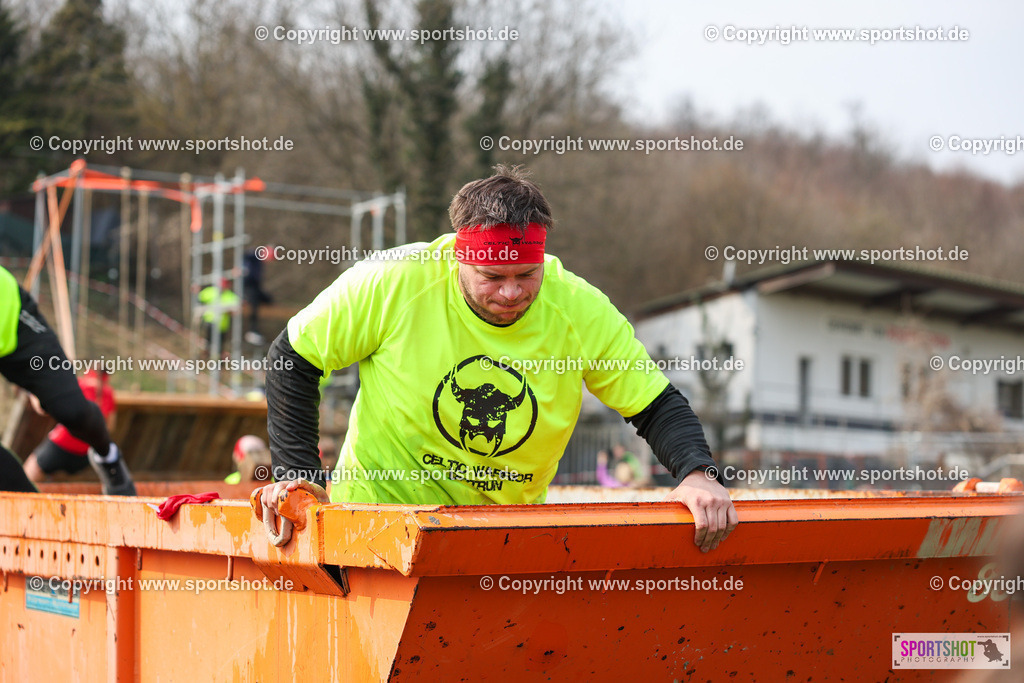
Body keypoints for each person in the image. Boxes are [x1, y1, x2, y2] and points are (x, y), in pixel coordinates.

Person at [259, 165, 738, 552]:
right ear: (459, 258)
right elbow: (293, 359)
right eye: (491, 276)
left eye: (527, 274)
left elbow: (655, 403)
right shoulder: (395, 281)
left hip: (500, 536)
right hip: (375, 528)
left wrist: (697, 473)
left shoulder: (578, 309)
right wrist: (300, 477)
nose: (511, 293)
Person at [0, 265, 133, 495]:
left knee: (72, 410)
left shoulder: (102, 389)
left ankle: (109, 458)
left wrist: (36, 385)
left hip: (14, 322)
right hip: (60, 448)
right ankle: (31, 515)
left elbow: (108, 419)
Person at [23, 368, 135, 494]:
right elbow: (110, 426)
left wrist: (30, 391)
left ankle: (21, 498)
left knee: (32, 468)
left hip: (63, 442)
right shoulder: (108, 393)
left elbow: (42, 408)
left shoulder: (78, 385)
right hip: (87, 451)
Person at [243, 247, 274, 344]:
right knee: (254, 303)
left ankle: (257, 330)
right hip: (249, 285)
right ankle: (252, 330)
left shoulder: (259, 263)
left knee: (268, 300)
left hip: (255, 286)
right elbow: (246, 255)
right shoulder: (255, 257)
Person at [198, 278, 239, 352]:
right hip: (209, 322)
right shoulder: (210, 291)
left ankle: (217, 358)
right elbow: (198, 298)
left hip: (222, 326)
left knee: (219, 346)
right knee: (209, 342)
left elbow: (236, 310)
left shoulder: (231, 296)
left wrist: (228, 311)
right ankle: (207, 351)